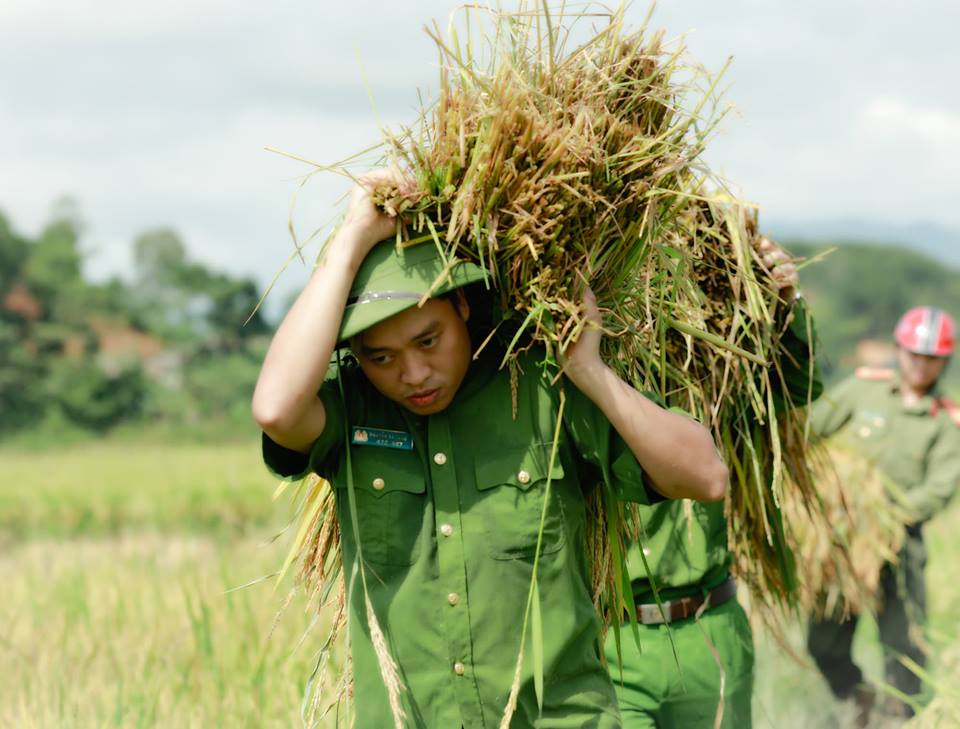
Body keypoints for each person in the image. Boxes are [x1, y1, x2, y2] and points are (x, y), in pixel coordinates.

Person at [251, 169, 730, 729]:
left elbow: (705, 476)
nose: (413, 373)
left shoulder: (541, 391)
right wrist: (351, 242)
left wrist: (591, 371)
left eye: (427, 341)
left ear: (463, 309)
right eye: (381, 357)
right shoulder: (351, 414)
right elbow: (276, 410)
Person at [603, 238, 822, 728]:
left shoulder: (715, 388)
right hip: (612, 638)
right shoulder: (585, 392)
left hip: (709, 626)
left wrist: (784, 305)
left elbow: (793, 385)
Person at [807, 306, 960, 725]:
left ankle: (900, 718)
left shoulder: (946, 422)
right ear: (898, 350)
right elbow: (811, 429)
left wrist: (883, 513)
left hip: (897, 547)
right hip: (841, 541)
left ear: (944, 362)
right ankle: (858, 699)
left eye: (930, 358)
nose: (919, 364)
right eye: (913, 353)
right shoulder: (863, 388)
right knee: (822, 640)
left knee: (904, 646)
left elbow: (939, 489)